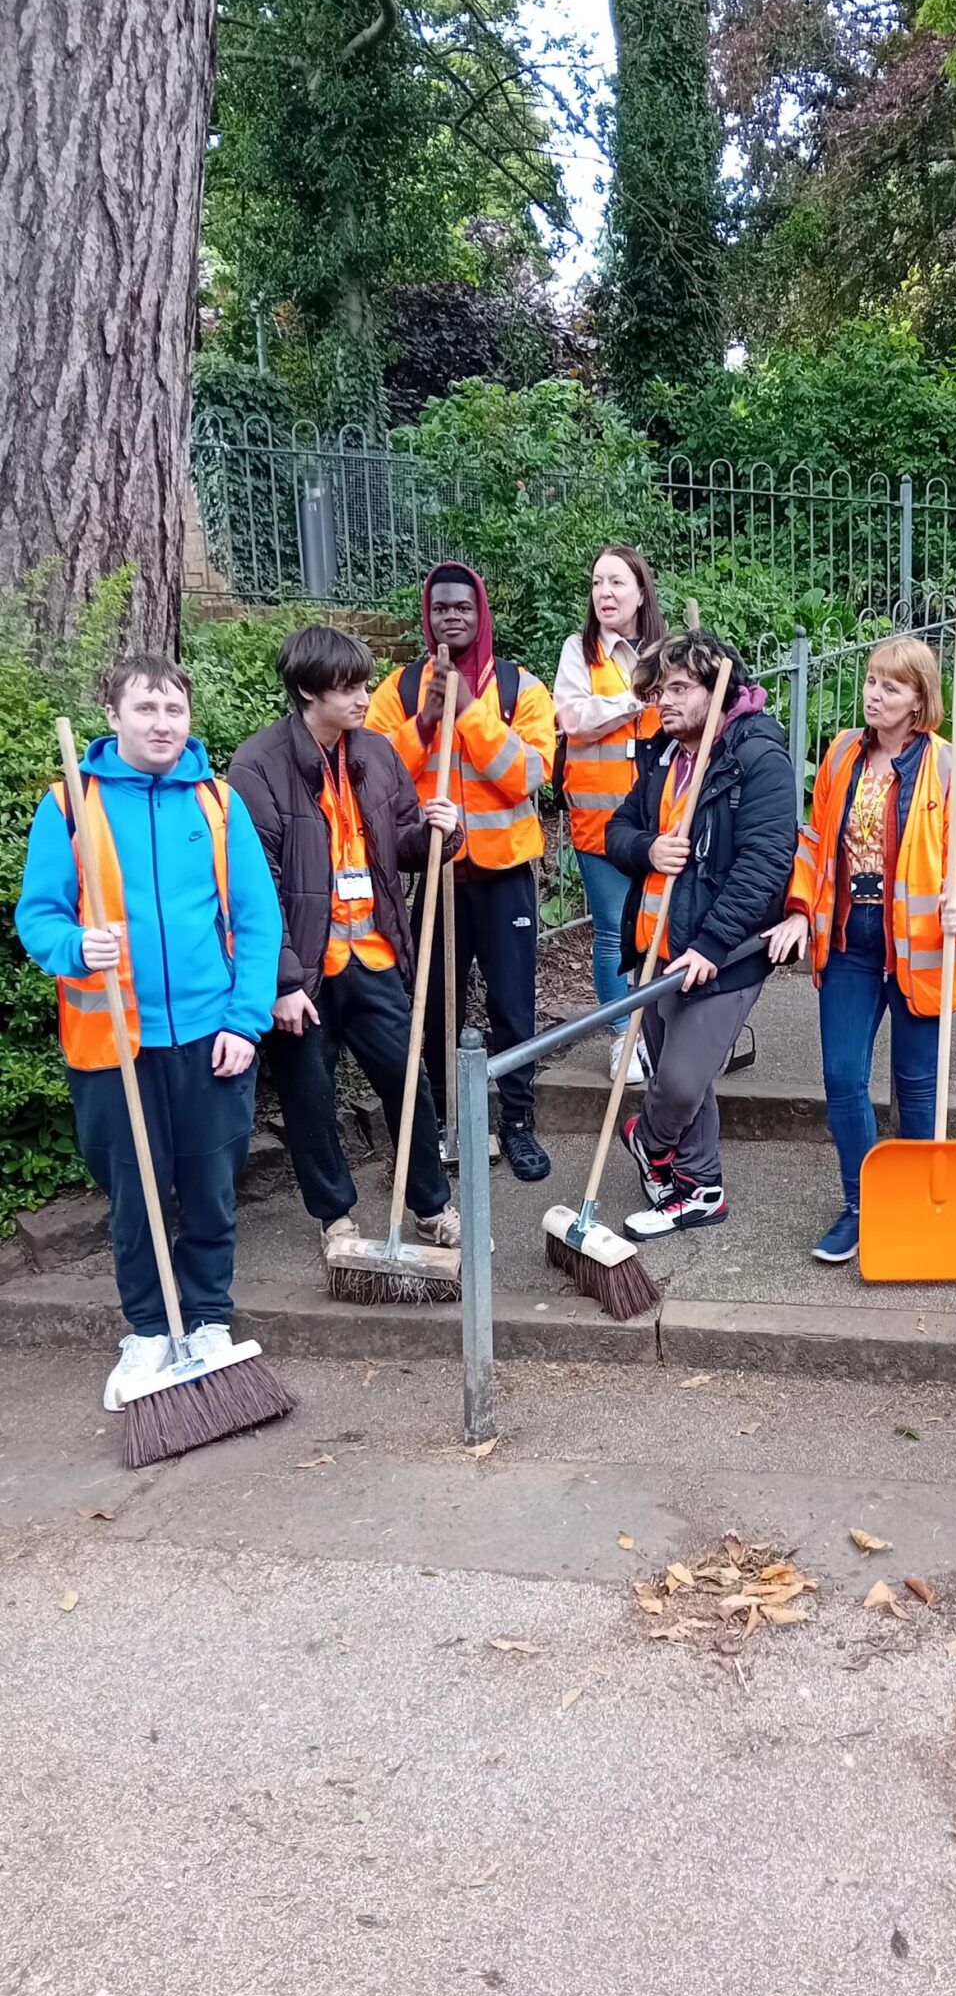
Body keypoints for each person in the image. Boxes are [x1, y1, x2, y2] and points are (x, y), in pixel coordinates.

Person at [16, 658, 281, 1411]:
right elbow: (40, 914)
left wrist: (245, 1021)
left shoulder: (218, 804)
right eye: (146, 707)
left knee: (210, 1184)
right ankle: (146, 1329)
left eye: (174, 708)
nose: (162, 722)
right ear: (113, 713)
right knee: (134, 1190)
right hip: (114, 1043)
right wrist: (76, 948)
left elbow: (259, 923)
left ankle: (203, 1317)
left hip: (210, 1035)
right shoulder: (70, 805)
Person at [767, 636, 956, 1263]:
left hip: (920, 948)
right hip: (849, 939)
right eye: (872, 681)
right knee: (843, 1077)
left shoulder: (955, 771)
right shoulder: (842, 753)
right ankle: (862, 1203)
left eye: (891, 686)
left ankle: (921, 1204)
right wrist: (798, 909)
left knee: (917, 1086)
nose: (875, 694)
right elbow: (815, 840)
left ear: (920, 699)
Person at [229, 627, 465, 1257]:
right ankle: (335, 1216)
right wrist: (280, 980)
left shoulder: (379, 753)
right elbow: (258, 887)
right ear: (309, 690)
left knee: (407, 1079)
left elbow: (408, 844)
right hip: (304, 970)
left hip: (374, 953)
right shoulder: (258, 766)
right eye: (349, 687)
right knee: (310, 1096)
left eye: (364, 683)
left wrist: (445, 832)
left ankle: (431, 1207)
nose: (365, 697)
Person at [603, 628, 798, 1239]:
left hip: (727, 952)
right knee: (675, 1076)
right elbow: (615, 831)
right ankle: (699, 1187)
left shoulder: (757, 757)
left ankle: (648, 1141)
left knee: (682, 1082)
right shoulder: (665, 756)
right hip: (658, 941)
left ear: (719, 689)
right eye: (660, 689)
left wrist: (712, 945)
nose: (665, 699)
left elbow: (765, 863)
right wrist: (648, 847)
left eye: (680, 687)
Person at [366, 562, 557, 1183]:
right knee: (436, 1006)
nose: (452, 617)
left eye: (463, 607)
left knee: (512, 1004)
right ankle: (448, 1121)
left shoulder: (519, 688)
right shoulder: (398, 690)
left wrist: (470, 711)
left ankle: (518, 1123)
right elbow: (373, 775)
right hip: (435, 873)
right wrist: (424, 723)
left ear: (481, 614)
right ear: (428, 615)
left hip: (502, 875)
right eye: (441, 607)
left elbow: (527, 774)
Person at [552, 547, 665, 1085]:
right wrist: (633, 704)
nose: (605, 593)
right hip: (599, 825)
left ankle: (662, 1029)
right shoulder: (580, 651)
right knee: (611, 933)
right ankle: (623, 1035)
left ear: (641, 591)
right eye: (598, 582)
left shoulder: (668, 652)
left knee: (664, 927)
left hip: (659, 824)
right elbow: (572, 716)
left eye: (617, 582)